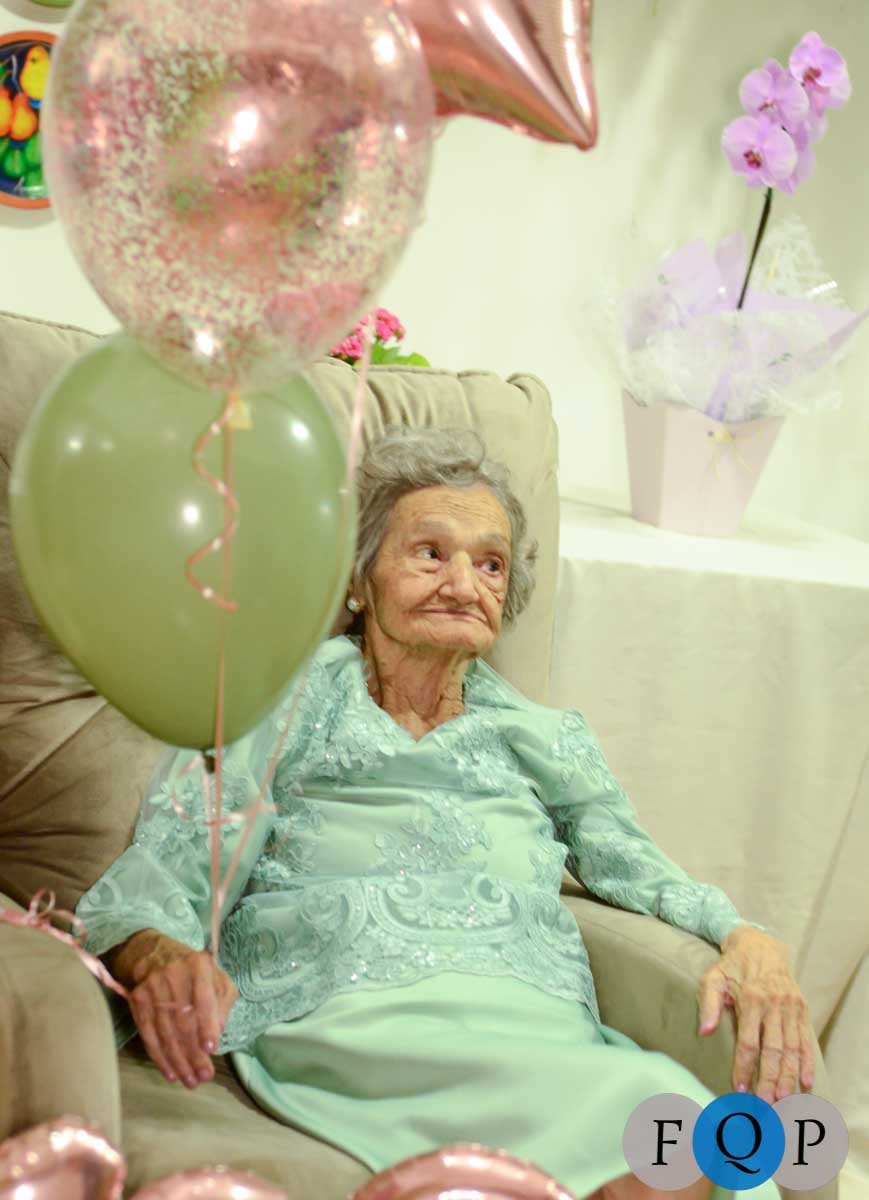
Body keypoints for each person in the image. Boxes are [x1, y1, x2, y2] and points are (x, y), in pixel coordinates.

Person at [77, 427, 812, 1200]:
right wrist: (154, 952)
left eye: (490, 564)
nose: (463, 583)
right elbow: (175, 856)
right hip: (357, 1021)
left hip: (536, 1024)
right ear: (358, 581)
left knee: (680, 1126)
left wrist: (747, 938)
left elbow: (635, 864)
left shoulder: (543, 736)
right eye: (429, 553)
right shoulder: (284, 704)